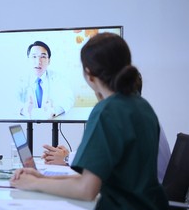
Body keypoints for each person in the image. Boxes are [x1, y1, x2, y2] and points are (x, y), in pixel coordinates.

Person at [11, 33, 170, 210]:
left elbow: (86, 190)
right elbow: (94, 179)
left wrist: (31, 185)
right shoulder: (142, 106)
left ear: (89, 74)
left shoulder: (107, 111)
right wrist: (40, 179)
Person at [41, 73, 172, 184]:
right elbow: (104, 159)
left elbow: (90, 182)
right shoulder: (142, 112)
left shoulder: (123, 118)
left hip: (139, 205)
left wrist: (64, 160)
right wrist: (68, 157)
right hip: (151, 196)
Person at [19, 41, 74, 118]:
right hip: (25, 122)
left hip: (52, 121)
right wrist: (23, 109)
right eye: (34, 56)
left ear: (49, 61)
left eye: (43, 57)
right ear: (28, 59)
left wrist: (54, 111)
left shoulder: (58, 78)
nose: (38, 62)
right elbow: (10, 100)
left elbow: (68, 99)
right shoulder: (20, 79)